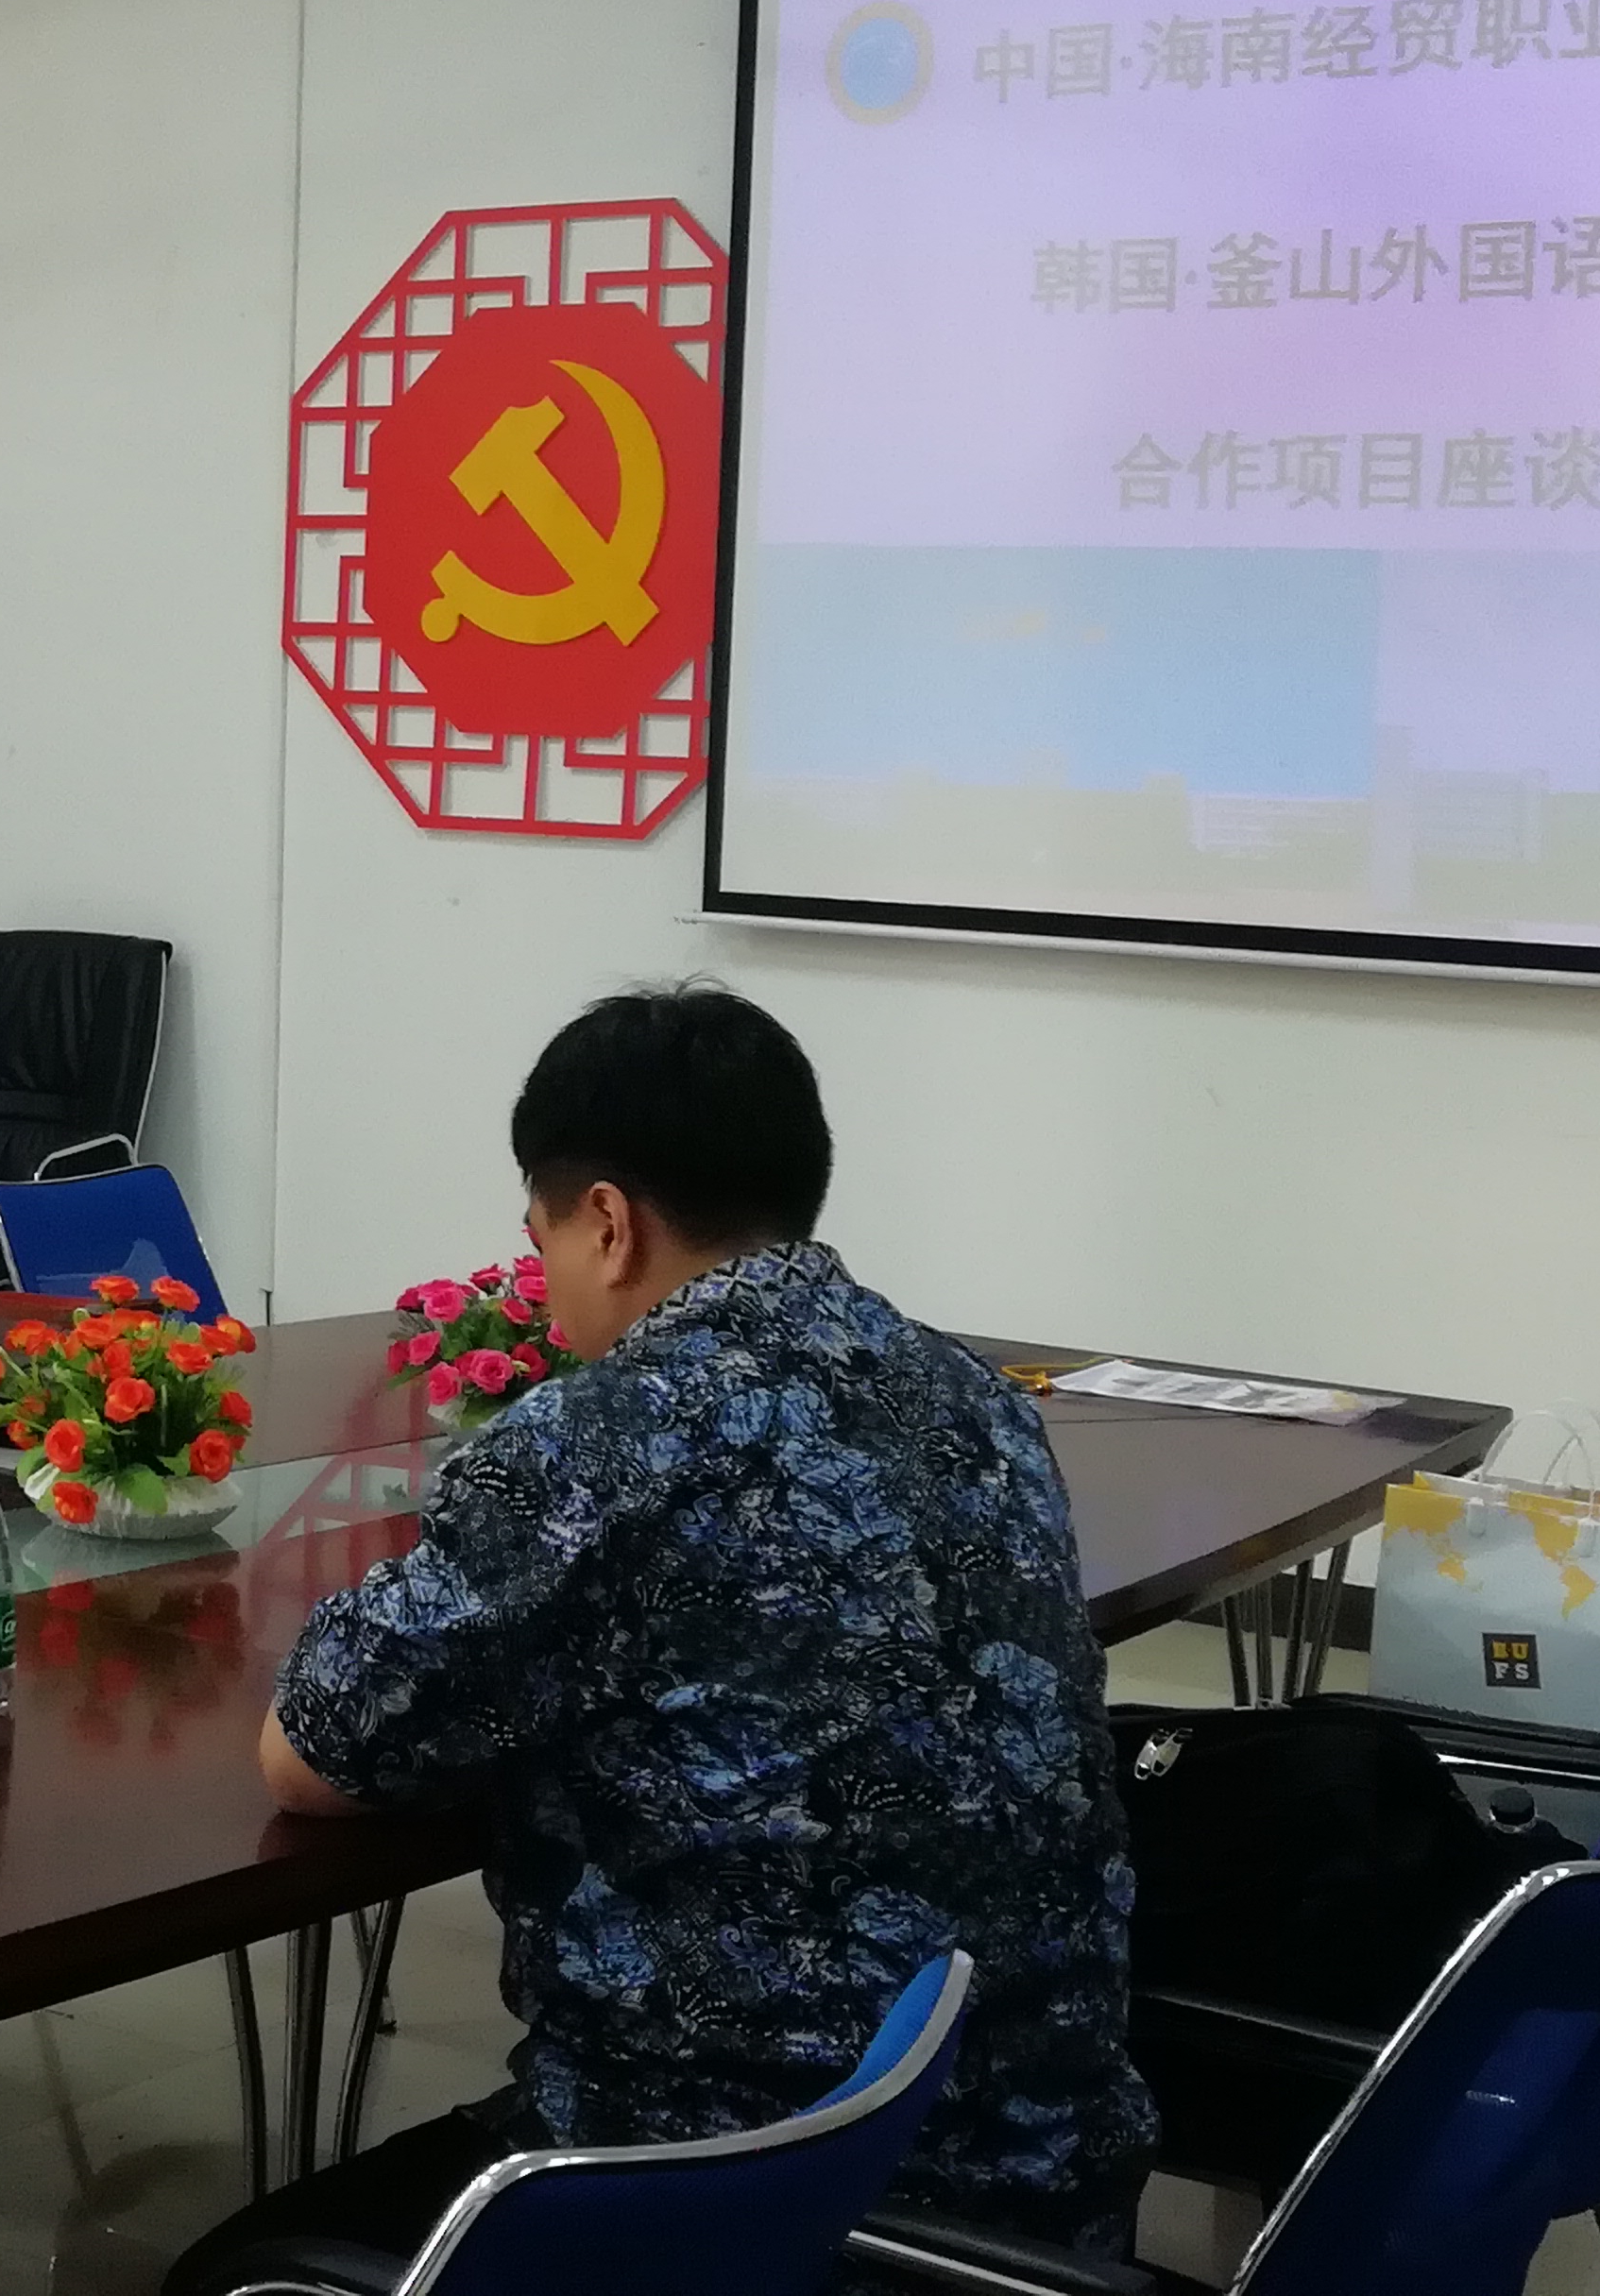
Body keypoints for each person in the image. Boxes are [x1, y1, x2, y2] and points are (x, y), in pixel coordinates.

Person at [165, 982, 1154, 2293]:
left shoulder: (603, 1440)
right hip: (1033, 2194)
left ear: (607, 1222)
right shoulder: (974, 1397)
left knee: (231, 2272)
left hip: (748, 2198)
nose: (543, 1282)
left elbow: (310, 1756)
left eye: (541, 1237)